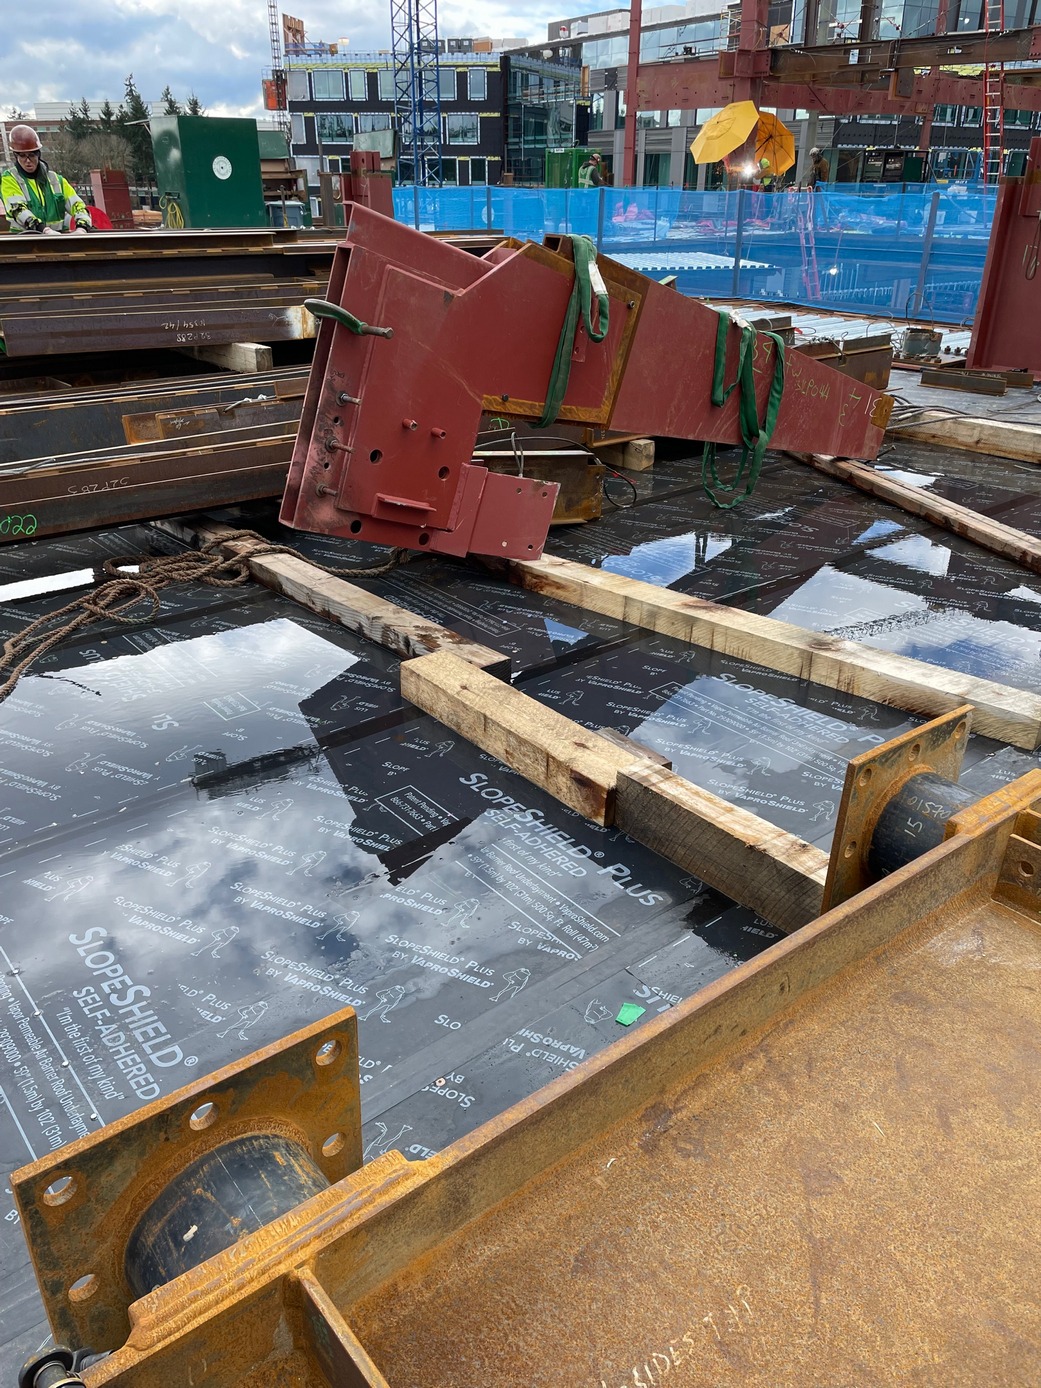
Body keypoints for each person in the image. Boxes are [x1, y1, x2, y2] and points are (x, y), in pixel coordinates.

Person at [1, 125, 93, 235]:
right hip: (25, 240)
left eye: (31, 155)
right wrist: (44, 230)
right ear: (16, 156)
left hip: (57, 239)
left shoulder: (56, 180)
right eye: (23, 156)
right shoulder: (9, 179)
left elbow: (78, 205)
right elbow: (18, 210)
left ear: (38, 154)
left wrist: (82, 228)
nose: (28, 160)